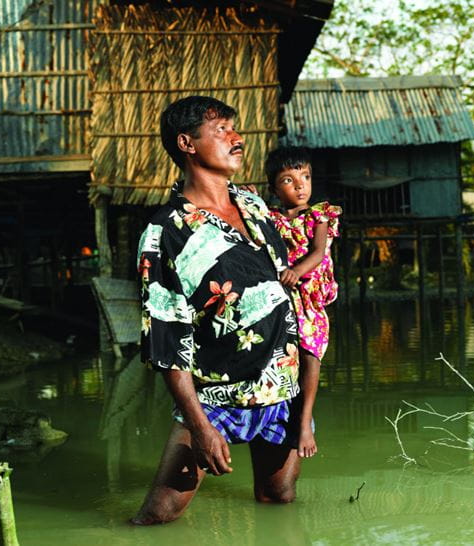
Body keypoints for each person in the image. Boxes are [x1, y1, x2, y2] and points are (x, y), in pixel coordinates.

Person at [132, 96, 303, 525]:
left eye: (234, 128)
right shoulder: (165, 233)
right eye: (222, 130)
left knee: (278, 497)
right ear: (187, 143)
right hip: (215, 398)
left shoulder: (255, 207)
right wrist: (200, 425)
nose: (237, 138)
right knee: (159, 515)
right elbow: (167, 342)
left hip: (281, 384)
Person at [265, 146, 342, 459]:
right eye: (288, 180)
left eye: (305, 177)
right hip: (281, 297)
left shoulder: (319, 214)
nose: (299, 185)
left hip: (308, 296)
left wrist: (296, 271)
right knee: (281, 355)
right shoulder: (270, 218)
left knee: (311, 353)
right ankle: (274, 415)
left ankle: (305, 421)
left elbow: (318, 252)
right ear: (273, 188)